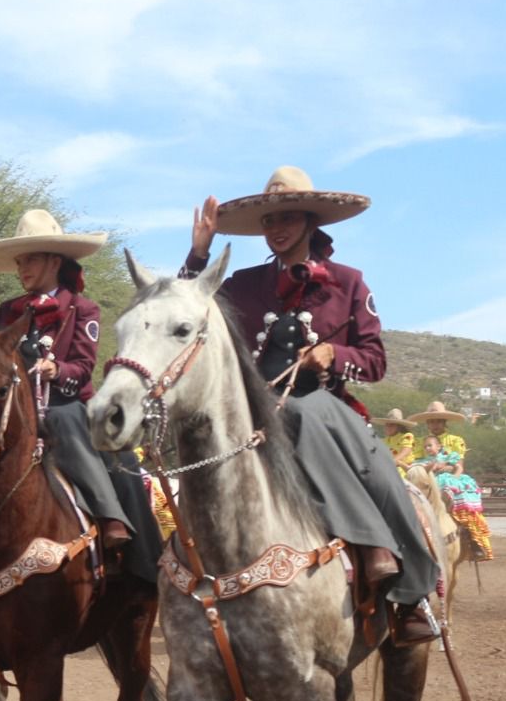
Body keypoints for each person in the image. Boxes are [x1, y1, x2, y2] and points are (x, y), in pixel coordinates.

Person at [186, 166, 439, 642]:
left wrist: (332, 354)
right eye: (268, 221)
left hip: (324, 406)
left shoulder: (348, 282)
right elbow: (186, 307)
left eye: (286, 218)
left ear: (309, 221)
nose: (276, 229)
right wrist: (199, 253)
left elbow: (375, 360)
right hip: (252, 414)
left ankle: (407, 589)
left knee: (384, 477)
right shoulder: (242, 284)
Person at [0, 209, 161, 579]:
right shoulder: (8, 310)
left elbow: (82, 365)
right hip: (14, 411)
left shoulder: (83, 308)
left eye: (29, 258)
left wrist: (56, 370)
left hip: (63, 405)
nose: (22, 267)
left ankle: (113, 518)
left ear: (53, 260)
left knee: (93, 441)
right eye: (19, 260)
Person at [411, 402, 494, 561]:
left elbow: (459, 465)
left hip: (448, 478)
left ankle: (472, 541)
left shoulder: (455, 440)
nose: (434, 425)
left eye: (437, 421)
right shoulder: (421, 441)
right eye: (431, 421)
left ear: (444, 422)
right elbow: (416, 462)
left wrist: (447, 469)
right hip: (426, 478)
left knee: (461, 503)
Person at [378, 407, 416, 477]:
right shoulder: (384, 441)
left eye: (392, 425)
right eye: (387, 425)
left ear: (399, 426)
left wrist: (392, 461)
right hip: (389, 468)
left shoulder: (407, 436)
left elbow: (405, 451)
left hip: (405, 468)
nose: (388, 427)